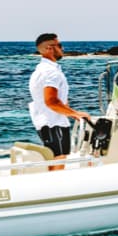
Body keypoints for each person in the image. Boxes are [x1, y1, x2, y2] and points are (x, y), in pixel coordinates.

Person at [28, 33, 92, 164]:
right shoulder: (51, 72)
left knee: (55, 158)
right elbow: (51, 101)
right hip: (54, 123)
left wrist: (70, 113)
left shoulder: (40, 70)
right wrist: (75, 114)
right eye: (60, 45)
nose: (63, 48)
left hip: (46, 122)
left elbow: (55, 100)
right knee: (58, 159)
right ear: (49, 48)